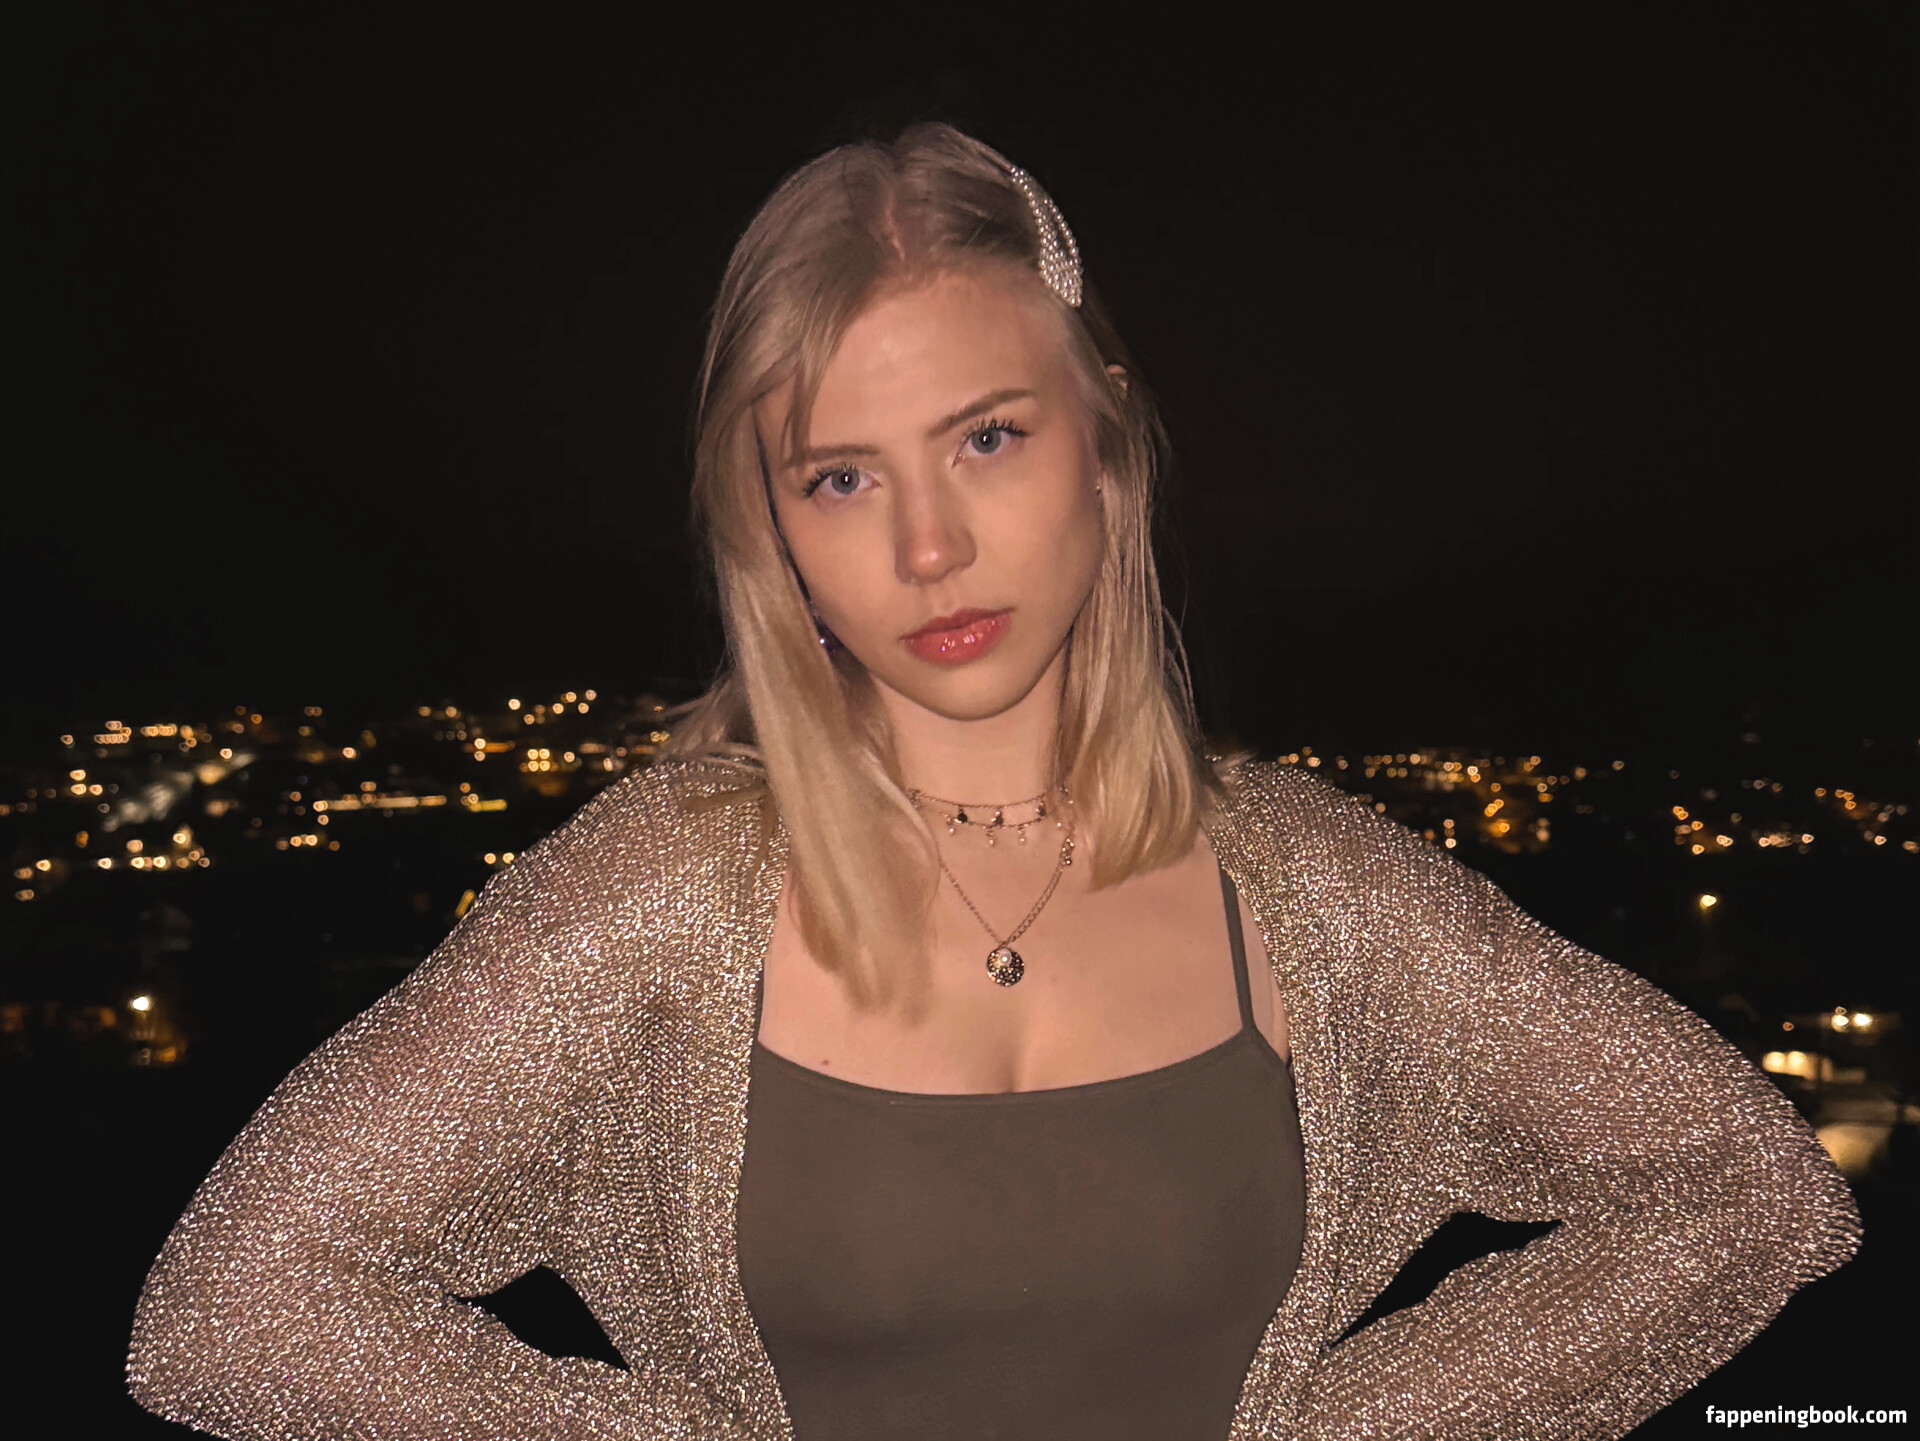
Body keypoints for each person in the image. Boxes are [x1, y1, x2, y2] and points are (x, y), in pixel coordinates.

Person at [127, 123, 1860, 1440]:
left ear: (1105, 440)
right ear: (771, 533)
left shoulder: (1312, 888)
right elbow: (230, 1309)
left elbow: (1748, 1190)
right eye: (840, 476)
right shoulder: (662, 889)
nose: (930, 544)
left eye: (987, 437)